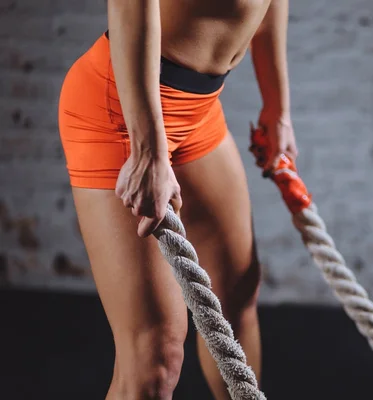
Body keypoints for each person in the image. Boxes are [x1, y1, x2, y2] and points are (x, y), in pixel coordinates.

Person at [57, 0, 298, 399]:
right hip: (124, 109)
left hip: (199, 109)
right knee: (155, 354)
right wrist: (149, 148)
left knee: (235, 297)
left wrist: (277, 107)